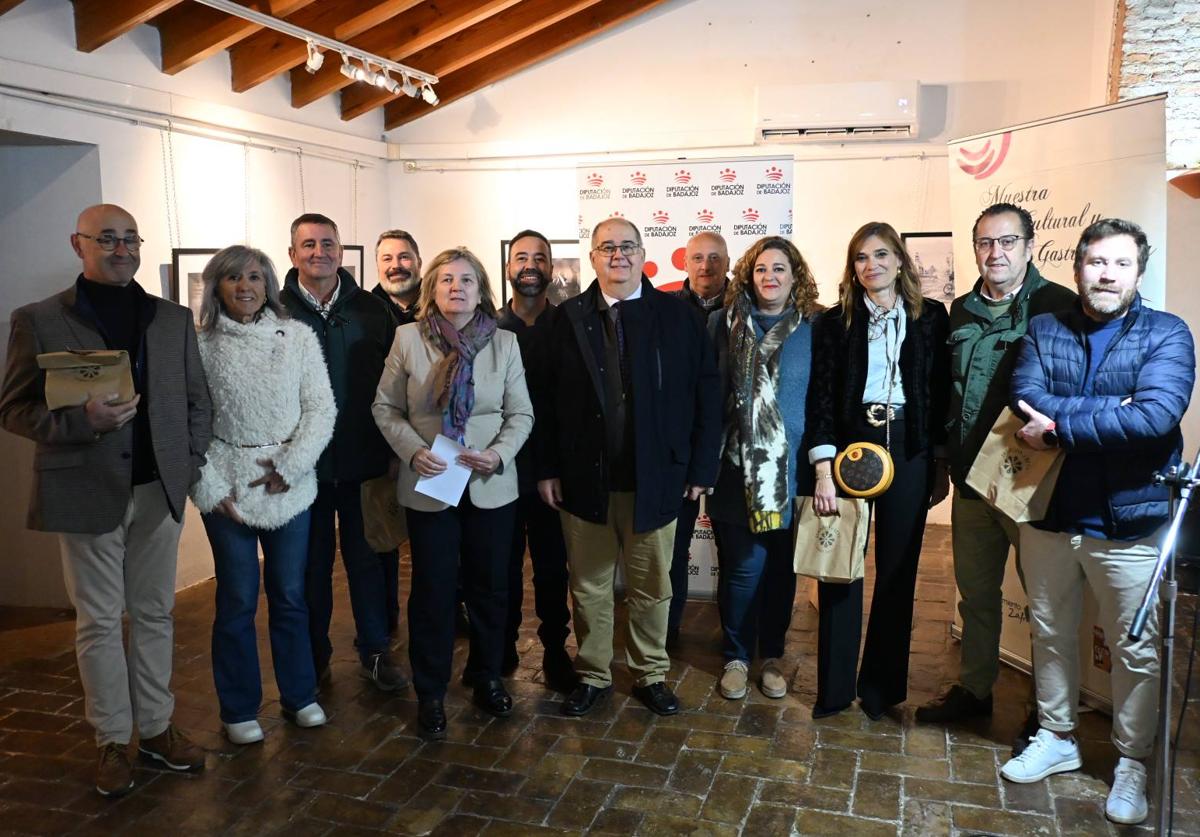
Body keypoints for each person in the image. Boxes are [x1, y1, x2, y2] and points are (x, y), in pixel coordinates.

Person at [0, 204, 212, 797]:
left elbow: (198, 401)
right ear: (79, 244)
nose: (121, 249)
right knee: (97, 620)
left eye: (130, 239)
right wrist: (82, 422)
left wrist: (188, 465)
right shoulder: (38, 319)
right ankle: (111, 741)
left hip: (158, 491)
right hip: (85, 488)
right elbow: (14, 408)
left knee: (154, 613)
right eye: (107, 239)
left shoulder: (171, 319)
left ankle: (159, 730)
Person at [998, 218, 1194, 825]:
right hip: (1049, 513)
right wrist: (1113, 409)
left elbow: (1155, 417)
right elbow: (1024, 397)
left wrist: (1059, 428)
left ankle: (1133, 761)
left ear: (1139, 272)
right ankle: (1057, 737)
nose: (1106, 274)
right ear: (1077, 265)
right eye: (1095, 262)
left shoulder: (1168, 333)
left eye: (1120, 264)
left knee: (1136, 649)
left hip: (1130, 522)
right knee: (1052, 631)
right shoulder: (1044, 327)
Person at [536, 218, 721, 717]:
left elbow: (707, 394)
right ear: (592, 258)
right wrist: (548, 468)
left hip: (656, 479)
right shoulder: (564, 319)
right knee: (590, 586)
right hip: (582, 480)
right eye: (606, 248)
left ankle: (650, 673)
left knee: (652, 586)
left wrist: (701, 465)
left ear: (643, 255)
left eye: (627, 246)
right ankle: (594, 674)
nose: (618, 255)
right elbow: (544, 402)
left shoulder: (679, 318)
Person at [916, 204, 1076, 751]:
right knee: (976, 594)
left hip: (1034, 486)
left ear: (1029, 246)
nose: (995, 253)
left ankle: (1048, 713)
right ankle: (975, 690)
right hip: (971, 483)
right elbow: (947, 398)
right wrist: (943, 462)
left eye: (1007, 242)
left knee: (1046, 604)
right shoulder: (958, 311)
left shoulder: (1059, 308)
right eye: (985, 243)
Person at [373, 247, 533, 739]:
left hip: (488, 483)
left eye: (466, 279)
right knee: (433, 591)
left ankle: (485, 677)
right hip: (431, 484)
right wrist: (412, 451)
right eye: (446, 280)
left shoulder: (504, 343)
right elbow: (384, 408)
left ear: (481, 289)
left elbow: (520, 414)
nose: (456, 288)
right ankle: (431, 691)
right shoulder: (407, 340)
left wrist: (500, 454)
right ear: (432, 289)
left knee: (490, 589)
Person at [190, 245, 336, 745]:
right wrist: (209, 486)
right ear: (217, 286)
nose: (244, 286)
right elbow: (191, 423)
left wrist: (292, 468)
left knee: (291, 595)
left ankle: (300, 694)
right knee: (235, 599)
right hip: (227, 486)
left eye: (254, 276)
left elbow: (320, 409)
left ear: (269, 284)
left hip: (287, 485)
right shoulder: (200, 345)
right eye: (233, 278)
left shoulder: (296, 337)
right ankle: (238, 706)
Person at [806, 221, 950, 720]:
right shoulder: (832, 323)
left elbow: (939, 395)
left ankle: (880, 690)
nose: (873, 265)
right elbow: (820, 400)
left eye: (882, 254)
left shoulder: (931, 317)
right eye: (862, 257)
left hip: (908, 446)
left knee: (898, 570)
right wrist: (823, 470)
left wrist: (938, 464)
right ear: (852, 268)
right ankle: (834, 689)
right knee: (840, 567)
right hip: (850, 448)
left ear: (900, 261)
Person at [279, 213, 405, 692]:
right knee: (310, 568)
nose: (319, 252)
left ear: (341, 251)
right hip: (302, 467)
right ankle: (315, 656)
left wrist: (394, 449)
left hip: (366, 462)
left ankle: (375, 652)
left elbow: (396, 388)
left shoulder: (374, 311)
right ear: (292, 254)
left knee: (369, 562)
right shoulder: (276, 312)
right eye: (308, 245)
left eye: (327, 243)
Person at [708, 236, 819, 700]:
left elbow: (822, 400)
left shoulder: (816, 327)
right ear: (748, 277)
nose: (769, 277)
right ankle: (735, 653)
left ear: (796, 276)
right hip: (735, 468)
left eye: (779, 268)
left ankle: (772, 653)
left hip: (793, 469)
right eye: (761, 269)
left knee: (780, 569)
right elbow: (708, 397)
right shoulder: (722, 324)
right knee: (743, 567)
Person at [494, 229, 576, 692]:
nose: (530, 265)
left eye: (539, 257)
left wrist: (558, 467)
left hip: (553, 474)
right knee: (498, 566)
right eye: (521, 257)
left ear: (551, 267)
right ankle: (500, 644)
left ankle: (554, 649)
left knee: (551, 567)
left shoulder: (569, 326)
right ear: (508, 268)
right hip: (499, 469)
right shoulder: (488, 327)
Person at [667, 231, 730, 646]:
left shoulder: (748, 307)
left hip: (735, 445)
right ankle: (665, 636)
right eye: (697, 258)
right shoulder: (664, 310)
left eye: (714, 258)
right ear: (685, 264)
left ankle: (737, 642)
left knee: (736, 552)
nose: (705, 266)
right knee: (672, 551)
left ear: (728, 262)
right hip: (679, 447)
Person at [372, 229, 423, 637]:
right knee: (383, 540)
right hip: (382, 451)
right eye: (387, 258)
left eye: (404, 257)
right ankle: (384, 624)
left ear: (418, 262)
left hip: (437, 449)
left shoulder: (442, 303)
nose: (396, 265)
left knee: (435, 540)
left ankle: (448, 607)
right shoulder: (366, 311)